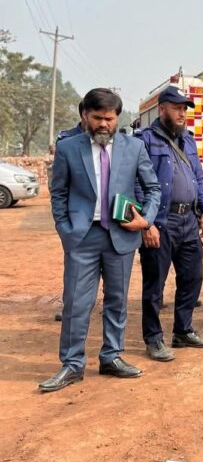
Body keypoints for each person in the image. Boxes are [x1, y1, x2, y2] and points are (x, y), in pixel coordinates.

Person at [40, 88, 161, 393]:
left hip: (122, 236)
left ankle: (111, 356)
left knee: (117, 301)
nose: (104, 124)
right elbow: (58, 193)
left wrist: (145, 220)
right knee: (76, 302)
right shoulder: (68, 148)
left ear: (118, 117)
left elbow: (153, 188)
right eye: (97, 118)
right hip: (83, 237)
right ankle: (72, 364)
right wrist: (66, 230)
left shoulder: (134, 147)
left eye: (110, 118)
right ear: (85, 115)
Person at [136, 86, 203, 363]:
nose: (182, 113)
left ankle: (183, 330)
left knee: (192, 278)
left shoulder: (189, 140)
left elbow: (199, 178)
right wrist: (146, 223)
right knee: (154, 284)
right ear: (162, 109)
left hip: (188, 221)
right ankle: (153, 338)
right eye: (177, 108)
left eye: (184, 109)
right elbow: (136, 183)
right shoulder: (144, 140)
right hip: (161, 221)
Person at [52, 101, 87, 322]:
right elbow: (58, 187)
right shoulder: (67, 141)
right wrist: (64, 225)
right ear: (85, 114)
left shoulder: (113, 141)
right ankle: (70, 307)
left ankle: (106, 305)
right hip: (77, 216)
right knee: (74, 269)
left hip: (106, 216)